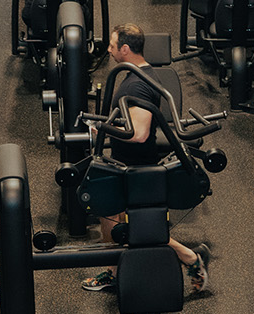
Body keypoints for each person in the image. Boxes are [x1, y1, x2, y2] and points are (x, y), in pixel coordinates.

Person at [80, 23, 211, 295]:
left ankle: (188, 257)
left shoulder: (137, 85)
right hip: (125, 161)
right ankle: (115, 271)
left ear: (125, 49)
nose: (109, 49)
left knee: (133, 225)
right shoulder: (142, 73)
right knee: (112, 218)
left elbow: (138, 134)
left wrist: (104, 129)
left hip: (133, 165)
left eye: (113, 45)